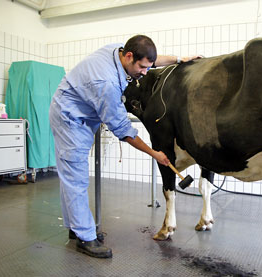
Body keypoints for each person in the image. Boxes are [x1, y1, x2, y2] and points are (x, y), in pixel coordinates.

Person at [49, 35, 200, 258]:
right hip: (70, 118)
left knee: (72, 175)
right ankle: (85, 236)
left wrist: (179, 59)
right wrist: (154, 154)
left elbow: (153, 62)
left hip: (82, 111)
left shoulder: (118, 51)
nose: (145, 72)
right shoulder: (106, 83)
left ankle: (77, 227)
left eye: (148, 66)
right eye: (141, 67)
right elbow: (124, 131)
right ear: (129, 56)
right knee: (75, 176)